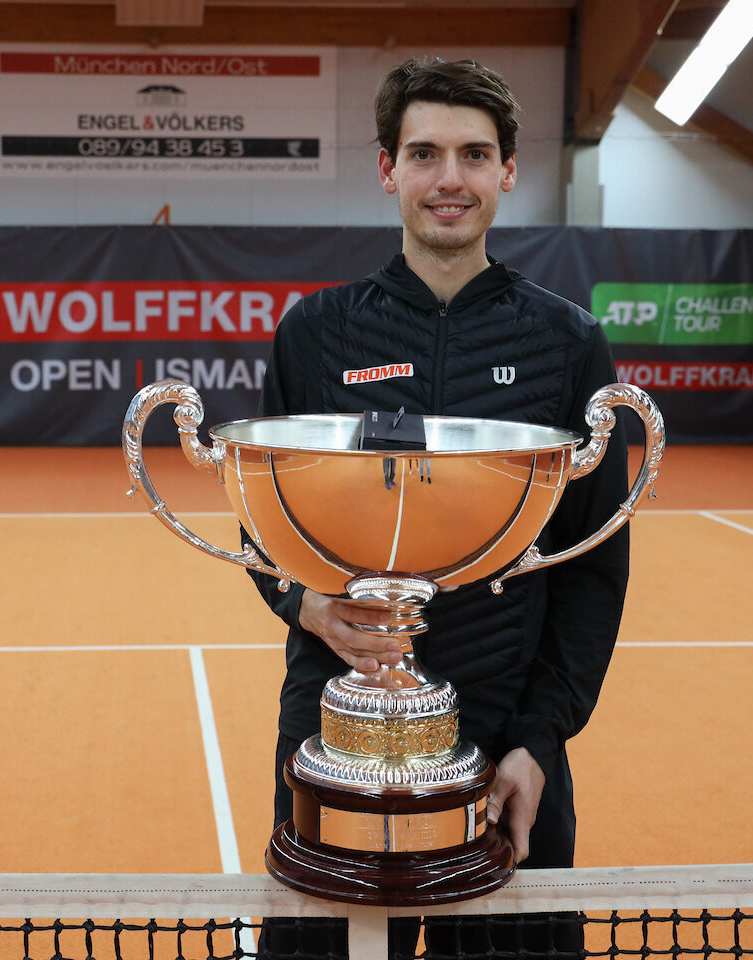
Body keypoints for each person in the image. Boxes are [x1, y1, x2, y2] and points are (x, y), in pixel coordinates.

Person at [249, 56, 630, 959]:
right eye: (424, 154)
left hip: (506, 737)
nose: (448, 179)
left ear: (507, 170)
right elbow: (266, 531)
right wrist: (303, 604)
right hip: (338, 728)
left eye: (473, 154)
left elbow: (590, 565)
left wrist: (539, 740)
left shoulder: (566, 342)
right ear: (388, 169)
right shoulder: (317, 332)